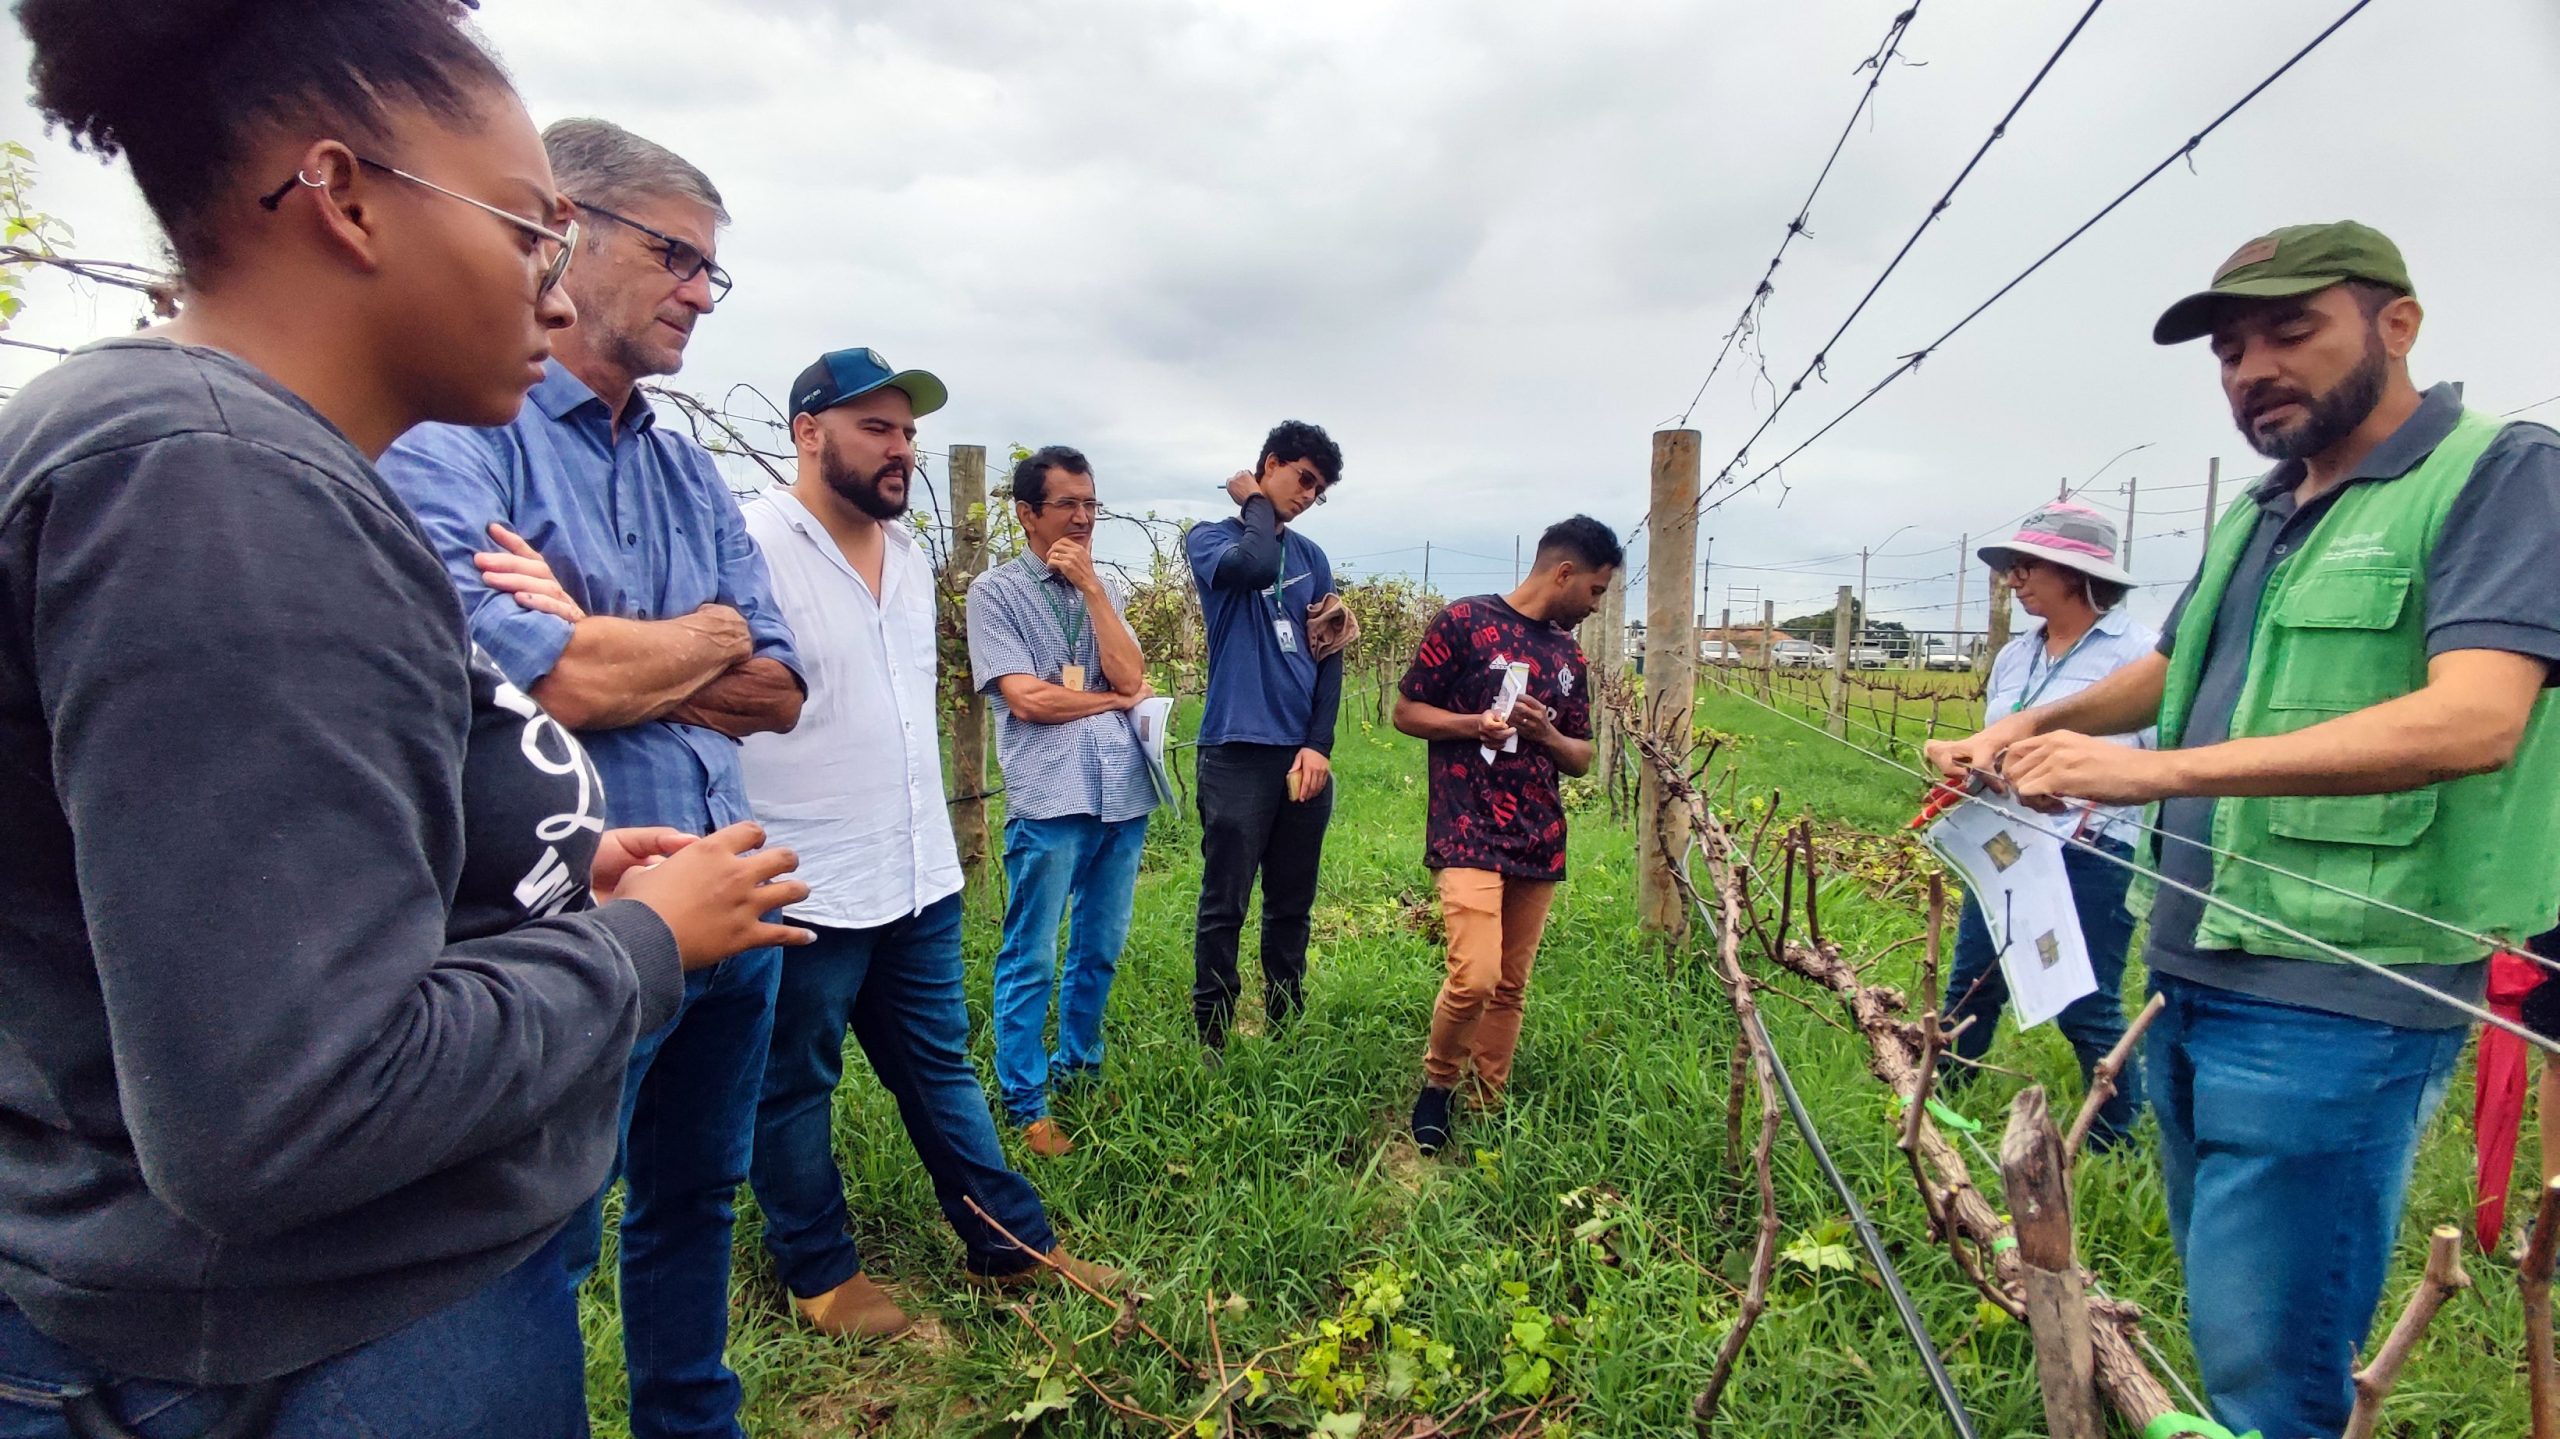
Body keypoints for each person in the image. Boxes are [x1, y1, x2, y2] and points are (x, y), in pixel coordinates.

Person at [0, 5, 811, 1436]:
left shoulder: (264, 476)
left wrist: (537, 889)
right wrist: (638, 940)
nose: (552, 300)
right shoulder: (218, 490)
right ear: (346, 196)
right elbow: (291, 1099)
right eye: (521, 233)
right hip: (292, 1348)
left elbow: (280, 906)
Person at [1927, 220, 2560, 1439]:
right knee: (2226, 1309)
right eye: (2228, 350)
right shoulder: (2262, 512)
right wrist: (2026, 733)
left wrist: (2145, 774)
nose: (2251, 368)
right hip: (2193, 956)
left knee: (2268, 1359)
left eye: (2288, 331)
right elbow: (2171, 670)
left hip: (2337, 981)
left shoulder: (2498, 471)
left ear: (2396, 324)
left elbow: (2475, 717)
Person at [379, 119, 805, 1439]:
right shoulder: (457, 437)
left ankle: (692, 1418)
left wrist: (612, 635)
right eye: (677, 255)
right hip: (573, 916)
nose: (698, 291)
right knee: (541, 1230)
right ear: (568, 228)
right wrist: (693, 633)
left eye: (709, 270)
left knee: (699, 1193)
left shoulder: (685, 463)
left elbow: (781, 684)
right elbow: (519, 677)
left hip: (733, 886)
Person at [739, 350, 1119, 1343]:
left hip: (914, 873)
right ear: (808, 430)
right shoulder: (749, 541)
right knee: (793, 1082)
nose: (901, 447)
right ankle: (820, 1274)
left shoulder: (907, 560)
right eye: (877, 427)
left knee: (940, 1066)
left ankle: (1007, 1241)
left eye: (907, 429)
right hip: (802, 880)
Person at [1934, 504, 2157, 1149]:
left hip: (2093, 851)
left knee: (2084, 1002)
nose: (2013, 578)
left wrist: (2072, 786)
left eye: (2025, 565)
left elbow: (2152, 762)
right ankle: (1936, 1110)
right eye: (2009, 566)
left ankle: (2114, 1143)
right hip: (2006, 844)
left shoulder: (2139, 656)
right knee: (1974, 982)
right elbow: (1992, 741)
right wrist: (1956, 756)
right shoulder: (2013, 656)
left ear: (2076, 573)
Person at [1391, 517, 1615, 1154]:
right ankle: (1438, 1083)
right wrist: (1472, 725)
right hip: (1465, 825)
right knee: (1477, 976)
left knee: (1512, 983)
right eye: (1595, 592)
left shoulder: (1569, 655)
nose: (1595, 607)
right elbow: (1406, 712)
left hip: (1538, 834)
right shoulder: (1462, 622)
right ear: (1564, 573)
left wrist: (1546, 734)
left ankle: (1489, 1101)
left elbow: (1581, 756)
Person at [968, 446, 1159, 1153]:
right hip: (1051, 801)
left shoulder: (1102, 587)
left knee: (1100, 948)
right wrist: (1110, 699)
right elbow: (1026, 698)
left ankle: (1080, 1067)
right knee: (1033, 954)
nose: (1082, 518)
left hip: (1120, 795)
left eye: (1091, 504)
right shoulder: (995, 593)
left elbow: (1133, 668)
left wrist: (1096, 594)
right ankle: (1025, 1100)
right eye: (1066, 505)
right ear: (1026, 514)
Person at [1185, 421, 1349, 1054]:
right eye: (1303, 478)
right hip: (1235, 754)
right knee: (1224, 903)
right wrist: (1254, 502)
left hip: (1300, 756)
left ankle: (1285, 1030)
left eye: (1320, 489)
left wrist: (1320, 746)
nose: (1309, 495)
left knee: (1291, 904)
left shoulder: (1313, 559)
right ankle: (1214, 1040)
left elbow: (1331, 654)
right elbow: (1252, 567)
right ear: (1271, 464)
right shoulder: (1209, 539)